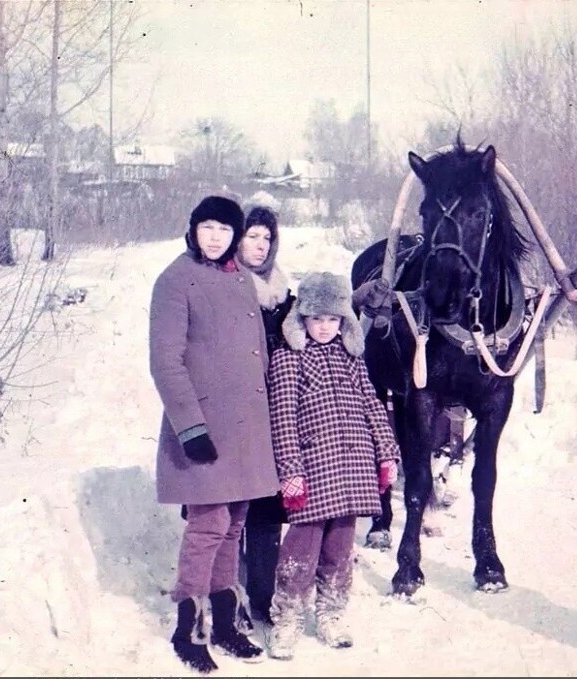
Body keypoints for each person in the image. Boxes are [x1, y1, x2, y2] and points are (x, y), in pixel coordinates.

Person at [149, 195, 276, 673]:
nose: (217, 237)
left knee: (235, 524)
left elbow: (256, 355)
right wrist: (190, 426)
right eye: (208, 227)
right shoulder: (176, 280)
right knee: (208, 526)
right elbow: (165, 361)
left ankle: (225, 623)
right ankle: (189, 627)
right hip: (204, 428)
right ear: (194, 229)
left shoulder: (243, 279)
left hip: (247, 430)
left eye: (226, 230)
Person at [264, 271, 401, 660]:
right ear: (301, 318)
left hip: (353, 464)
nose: (324, 327)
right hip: (313, 467)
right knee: (302, 548)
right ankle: (287, 617)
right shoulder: (289, 358)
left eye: (333, 319)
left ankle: (332, 612)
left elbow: (372, 405)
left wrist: (387, 451)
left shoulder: (352, 358)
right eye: (317, 318)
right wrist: (290, 470)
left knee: (341, 547)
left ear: (344, 320)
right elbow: (282, 417)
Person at [234, 195, 295, 625]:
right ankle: (226, 589)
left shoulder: (283, 288)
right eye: (252, 236)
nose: (260, 245)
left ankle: (263, 595)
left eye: (267, 238)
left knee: (267, 505)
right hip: (236, 407)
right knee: (231, 503)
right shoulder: (226, 284)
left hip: (273, 407)